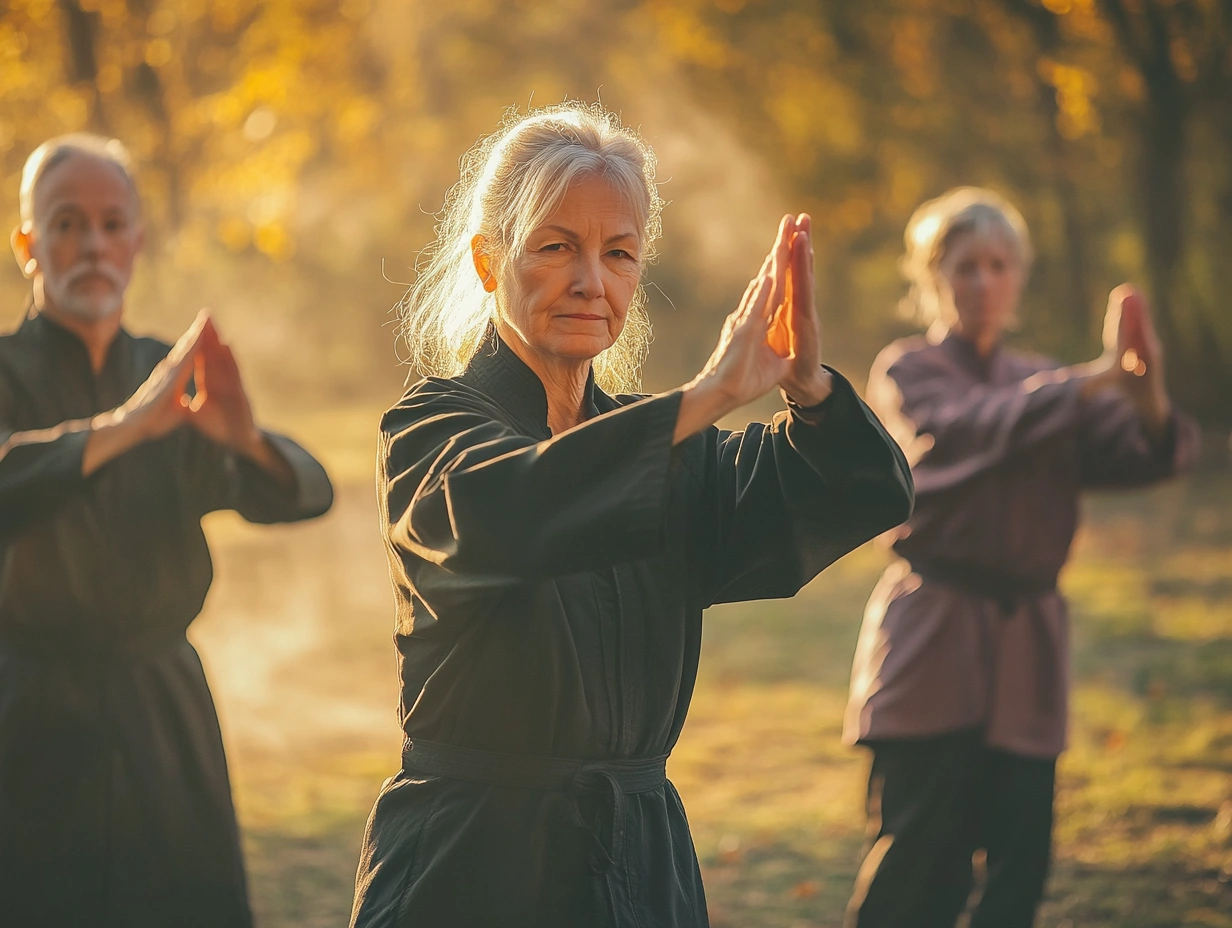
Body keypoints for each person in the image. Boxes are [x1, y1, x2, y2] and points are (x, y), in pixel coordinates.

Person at [348, 103, 914, 928]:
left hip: (639, 866)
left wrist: (810, 386)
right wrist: (709, 395)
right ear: (488, 260)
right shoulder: (432, 430)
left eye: (619, 253)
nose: (592, 281)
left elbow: (860, 489)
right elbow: (507, 508)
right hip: (471, 864)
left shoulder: (670, 450)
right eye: (556, 247)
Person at [842, 187, 1201, 927]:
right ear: (932, 277)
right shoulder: (907, 371)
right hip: (933, 640)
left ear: (1019, 277)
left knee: (1020, 862)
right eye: (965, 266)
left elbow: (1145, 452)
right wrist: (1089, 380)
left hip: (1028, 648)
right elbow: (955, 436)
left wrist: (1147, 385)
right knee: (919, 862)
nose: (983, 282)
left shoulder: (1044, 380)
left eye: (998, 265)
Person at [0, 134, 334, 926]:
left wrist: (244, 440)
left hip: (163, 714)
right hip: (27, 716)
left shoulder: (173, 379)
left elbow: (306, 491)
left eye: (112, 224)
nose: (93, 245)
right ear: (28, 246)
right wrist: (124, 427)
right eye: (68, 224)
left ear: (137, 242)